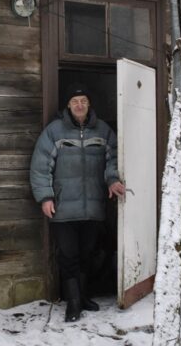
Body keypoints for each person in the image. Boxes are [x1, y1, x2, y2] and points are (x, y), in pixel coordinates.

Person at [30, 86, 125, 322]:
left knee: (88, 254)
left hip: (92, 207)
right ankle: (73, 302)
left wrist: (113, 179)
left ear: (89, 104)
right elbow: (41, 167)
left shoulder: (103, 131)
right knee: (69, 255)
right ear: (69, 106)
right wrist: (46, 197)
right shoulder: (54, 132)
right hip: (63, 208)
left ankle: (83, 297)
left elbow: (113, 158)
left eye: (84, 100)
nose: (80, 105)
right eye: (75, 101)